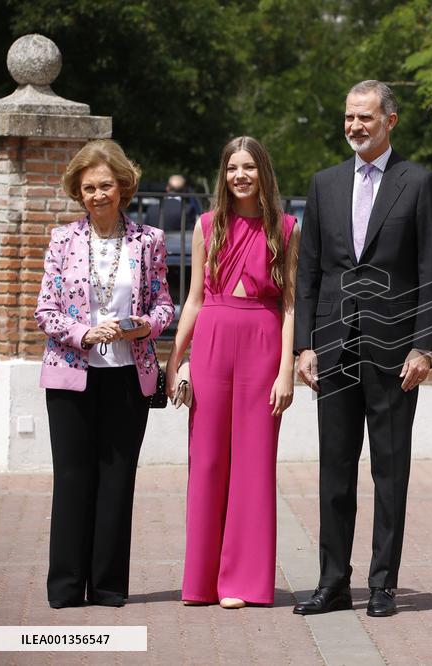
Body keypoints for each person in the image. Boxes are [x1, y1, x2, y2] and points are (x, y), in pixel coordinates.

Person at [292, 80, 432, 618]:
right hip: (334, 349)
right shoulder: (324, 183)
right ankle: (332, 583)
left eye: (366, 117)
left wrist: (424, 345)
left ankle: (383, 585)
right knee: (334, 473)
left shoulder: (418, 182)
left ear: (390, 121)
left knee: (390, 472)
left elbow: (431, 272)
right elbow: (309, 271)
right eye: (349, 117)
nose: (355, 126)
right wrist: (303, 345)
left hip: (395, 351)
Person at [35, 139, 174, 608]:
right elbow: (45, 310)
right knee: (73, 479)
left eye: (106, 185)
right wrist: (84, 333)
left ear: (123, 187)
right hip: (71, 374)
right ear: (78, 192)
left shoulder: (149, 240)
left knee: (117, 479)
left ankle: (108, 586)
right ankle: (66, 587)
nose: (98, 195)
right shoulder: (62, 240)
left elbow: (164, 305)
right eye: (89, 188)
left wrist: (143, 326)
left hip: (129, 376)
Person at [166, 136, 299, 608]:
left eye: (249, 167)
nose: (240, 175)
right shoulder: (207, 225)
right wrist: (174, 359)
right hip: (213, 340)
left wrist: (286, 370)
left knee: (254, 463)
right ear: (223, 175)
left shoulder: (286, 228)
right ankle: (202, 582)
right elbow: (193, 299)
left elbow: (289, 304)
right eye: (232, 168)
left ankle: (243, 582)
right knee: (206, 460)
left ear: (263, 172)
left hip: (263, 343)